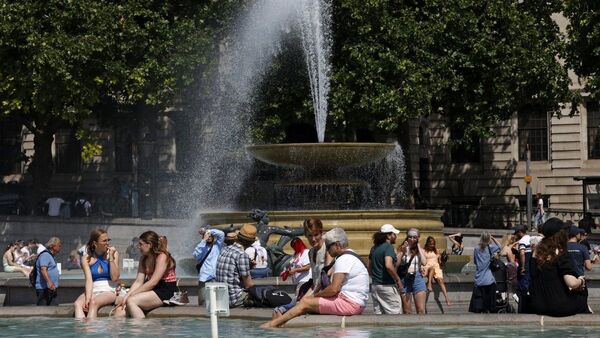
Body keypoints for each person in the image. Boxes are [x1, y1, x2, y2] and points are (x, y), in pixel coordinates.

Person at [260, 228, 369, 329]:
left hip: (350, 304)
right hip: (355, 303)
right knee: (307, 302)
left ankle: (273, 324)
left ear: (337, 245)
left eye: (328, 245)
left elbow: (333, 289)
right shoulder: (351, 255)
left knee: (305, 302)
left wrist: (315, 296)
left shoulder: (344, 259)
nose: (326, 248)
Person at [529, 217, 590, 316]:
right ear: (561, 234)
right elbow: (572, 283)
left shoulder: (535, 252)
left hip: (538, 305)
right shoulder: (560, 252)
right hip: (559, 306)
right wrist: (581, 281)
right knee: (582, 290)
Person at [119, 231, 177, 318]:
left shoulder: (162, 256)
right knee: (120, 311)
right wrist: (126, 295)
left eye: (141, 244)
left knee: (132, 301)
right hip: (153, 290)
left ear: (149, 244)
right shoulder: (143, 259)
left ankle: (143, 328)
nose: (138, 247)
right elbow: (138, 281)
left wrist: (132, 295)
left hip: (165, 290)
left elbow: (153, 282)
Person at [74, 229, 121, 318]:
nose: (107, 243)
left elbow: (115, 277)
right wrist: (88, 297)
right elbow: (88, 280)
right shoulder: (86, 258)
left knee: (93, 302)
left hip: (109, 289)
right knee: (77, 304)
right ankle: (81, 330)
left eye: (108, 240)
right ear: (95, 243)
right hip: (93, 289)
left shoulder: (114, 254)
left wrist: (110, 256)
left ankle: (91, 330)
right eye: (104, 241)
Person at [216, 224, 256, 307]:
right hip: (234, 298)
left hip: (221, 297)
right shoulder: (242, 255)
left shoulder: (224, 249)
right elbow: (249, 285)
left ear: (238, 237)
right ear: (251, 242)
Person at [368, 224, 404, 314]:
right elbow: (388, 265)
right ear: (388, 235)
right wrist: (398, 280)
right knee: (395, 317)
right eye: (394, 234)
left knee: (380, 318)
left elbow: (369, 267)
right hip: (387, 286)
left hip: (375, 286)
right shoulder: (388, 247)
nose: (395, 236)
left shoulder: (374, 248)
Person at [397, 228, 427, 314]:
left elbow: (424, 262)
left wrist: (419, 247)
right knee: (407, 311)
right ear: (407, 237)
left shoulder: (420, 250)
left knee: (421, 309)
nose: (412, 239)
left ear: (418, 238)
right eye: (410, 237)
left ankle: (421, 327)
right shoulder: (401, 248)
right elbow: (397, 264)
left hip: (417, 277)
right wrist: (403, 252)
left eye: (414, 237)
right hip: (405, 278)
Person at [468, 232, 500, 313]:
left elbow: (475, 261)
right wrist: (492, 238)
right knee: (489, 296)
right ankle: (488, 309)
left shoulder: (476, 248)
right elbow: (500, 246)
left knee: (480, 296)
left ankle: (480, 309)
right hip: (489, 278)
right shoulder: (490, 247)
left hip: (479, 277)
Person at [192, 227, 224, 306]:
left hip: (216, 277)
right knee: (203, 302)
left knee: (218, 303)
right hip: (204, 278)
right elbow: (196, 256)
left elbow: (221, 234)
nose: (209, 237)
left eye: (210, 235)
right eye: (206, 236)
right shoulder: (201, 247)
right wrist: (203, 241)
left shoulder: (217, 246)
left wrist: (208, 231)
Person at [422, 236, 451, 306]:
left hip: (436, 267)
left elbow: (440, 263)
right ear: (427, 243)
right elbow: (422, 261)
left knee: (441, 281)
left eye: (433, 244)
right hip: (428, 266)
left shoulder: (436, 251)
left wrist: (443, 260)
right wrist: (422, 268)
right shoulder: (423, 251)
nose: (432, 245)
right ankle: (429, 284)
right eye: (431, 244)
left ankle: (447, 298)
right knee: (431, 269)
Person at [35, 237, 62, 306]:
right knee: (42, 309)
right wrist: (49, 282)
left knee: (54, 308)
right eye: (59, 245)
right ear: (53, 246)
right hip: (44, 288)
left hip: (50, 288)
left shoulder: (51, 256)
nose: (60, 247)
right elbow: (43, 270)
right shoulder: (45, 255)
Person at [513, 224, 531, 306]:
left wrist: (523, 266)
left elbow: (522, 253)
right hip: (530, 264)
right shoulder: (530, 239)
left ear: (520, 232)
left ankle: (523, 303)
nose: (515, 235)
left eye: (516, 233)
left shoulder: (522, 241)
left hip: (525, 264)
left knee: (523, 284)